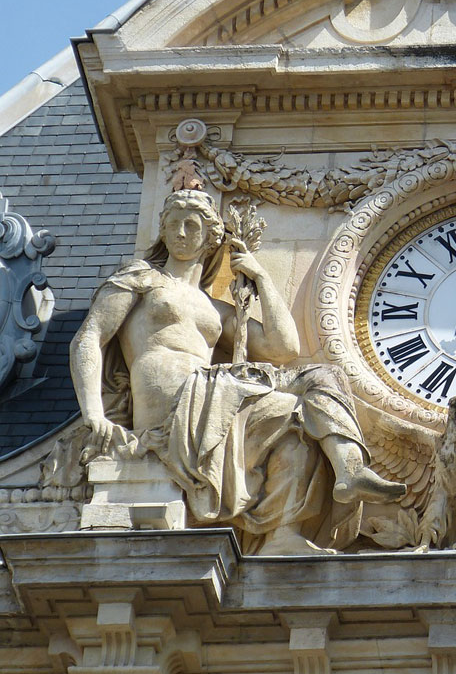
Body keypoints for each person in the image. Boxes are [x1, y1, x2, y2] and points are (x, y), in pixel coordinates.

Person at [70, 189, 405, 555]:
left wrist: (260, 278)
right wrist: (94, 415)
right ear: (162, 232)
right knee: (293, 408)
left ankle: (311, 507)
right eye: (172, 225)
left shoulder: (215, 310)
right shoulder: (141, 278)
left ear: (211, 239)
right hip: (171, 402)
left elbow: (284, 347)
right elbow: (88, 338)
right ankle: (343, 476)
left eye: (192, 225)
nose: (181, 233)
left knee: (314, 392)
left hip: (212, 395)